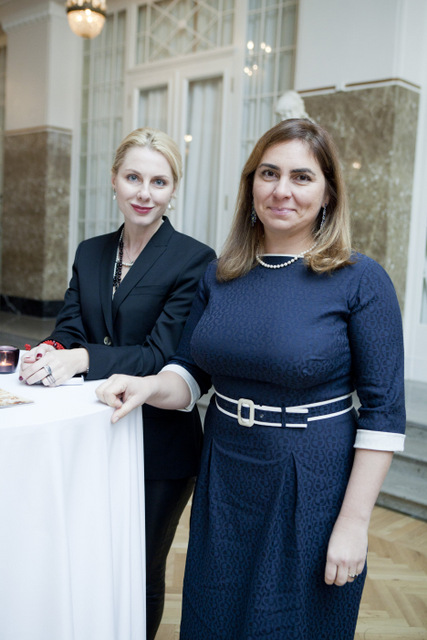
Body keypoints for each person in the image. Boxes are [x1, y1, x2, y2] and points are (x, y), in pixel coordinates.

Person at [95, 118, 406, 639]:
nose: (282, 190)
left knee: (289, 624)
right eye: (269, 173)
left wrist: (354, 523)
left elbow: (384, 414)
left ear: (328, 192)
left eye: (302, 177)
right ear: (251, 185)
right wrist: (149, 386)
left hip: (310, 480)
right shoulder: (221, 274)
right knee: (213, 619)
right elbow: (190, 372)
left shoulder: (359, 278)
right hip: (225, 473)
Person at [19, 127, 216, 640]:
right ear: (113, 180)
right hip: (93, 434)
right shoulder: (90, 252)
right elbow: (68, 328)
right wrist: (50, 350)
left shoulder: (195, 259)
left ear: (173, 189)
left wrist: (83, 358)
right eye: (133, 178)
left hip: (161, 446)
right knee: (90, 559)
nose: (144, 193)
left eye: (158, 181)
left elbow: (161, 355)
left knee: (140, 569)